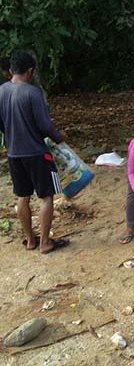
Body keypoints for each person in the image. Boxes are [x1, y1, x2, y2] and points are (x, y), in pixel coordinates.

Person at [0, 51, 69, 254]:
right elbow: (45, 125)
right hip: (37, 152)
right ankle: (45, 242)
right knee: (46, 196)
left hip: (14, 153)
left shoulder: (2, 91)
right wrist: (59, 137)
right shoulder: (32, 93)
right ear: (30, 71)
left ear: (12, 70)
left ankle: (30, 239)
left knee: (22, 196)